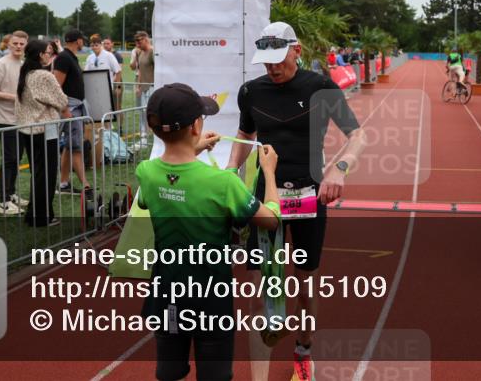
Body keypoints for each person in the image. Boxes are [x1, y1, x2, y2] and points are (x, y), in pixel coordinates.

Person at [227, 21, 364, 381]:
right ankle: (259, 373)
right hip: (266, 198)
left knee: (304, 287)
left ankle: (303, 351)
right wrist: (230, 170)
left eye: (278, 61)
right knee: (261, 288)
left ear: (297, 51)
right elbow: (245, 133)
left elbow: (357, 135)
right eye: (266, 62)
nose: (272, 68)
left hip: (308, 195)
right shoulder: (250, 91)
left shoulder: (320, 87)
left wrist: (339, 170)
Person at [137, 83, 281, 381]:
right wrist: (268, 171)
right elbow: (270, 219)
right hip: (210, 297)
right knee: (215, 373)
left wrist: (194, 147)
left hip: (168, 293)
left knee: (169, 370)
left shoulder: (146, 172)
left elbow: (160, 188)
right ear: (195, 126)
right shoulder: (223, 183)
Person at [15, 40, 68, 227]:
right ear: (40, 55)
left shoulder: (26, 73)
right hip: (44, 129)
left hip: (27, 129)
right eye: (48, 52)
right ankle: (43, 216)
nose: (50, 56)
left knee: (38, 172)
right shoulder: (44, 76)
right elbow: (62, 100)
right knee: (46, 173)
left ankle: (34, 214)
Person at [0, 30, 29, 215]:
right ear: (8, 44)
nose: (18, 46)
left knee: (16, 158)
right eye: (15, 43)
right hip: (6, 119)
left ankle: (11, 193)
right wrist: (13, 98)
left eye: (21, 44)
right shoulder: (0, 65)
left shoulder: (23, 64)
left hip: (22, 119)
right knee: (9, 159)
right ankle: (3, 201)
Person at [54, 29, 89, 193]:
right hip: (70, 109)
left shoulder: (69, 57)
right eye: (82, 40)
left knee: (69, 146)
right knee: (75, 147)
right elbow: (56, 86)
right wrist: (65, 109)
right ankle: (86, 185)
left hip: (75, 108)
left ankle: (63, 183)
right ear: (78, 41)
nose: (83, 42)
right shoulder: (64, 58)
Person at [129, 30, 155, 149]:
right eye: (136, 41)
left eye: (139, 40)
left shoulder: (152, 52)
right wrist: (138, 86)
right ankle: (144, 137)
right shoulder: (140, 53)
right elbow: (139, 71)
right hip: (143, 88)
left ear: (146, 39)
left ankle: (156, 137)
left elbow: (157, 70)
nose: (137, 43)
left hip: (152, 88)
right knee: (143, 113)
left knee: (152, 113)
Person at [85, 34, 121, 109]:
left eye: (96, 45)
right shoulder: (90, 58)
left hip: (106, 89)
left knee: (106, 111)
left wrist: (118, 87)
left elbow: (118, 71)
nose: (94, 47)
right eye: (92, 45)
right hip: (93, 89)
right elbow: (86, 73)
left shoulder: (109, 56)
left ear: (100, 45)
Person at [103, 37, 124, 108]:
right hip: (106, 83)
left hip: (116, 83)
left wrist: (117, 86)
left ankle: (119, 119)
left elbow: (119, 71)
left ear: (112, 44)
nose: (106, 45)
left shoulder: (117, 55)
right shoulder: (103, 55)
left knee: (117, 107)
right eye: (104, 43)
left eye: (108, 43)